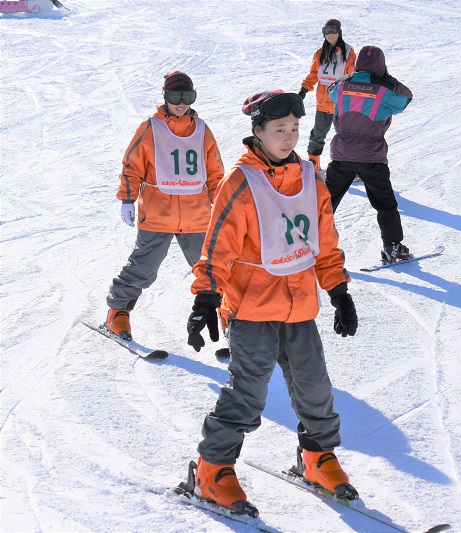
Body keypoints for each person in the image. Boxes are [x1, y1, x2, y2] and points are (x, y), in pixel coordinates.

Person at [184, 90, 360, 513]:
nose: (289, 137)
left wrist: (338, 290)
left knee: (314, 387)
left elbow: (324, 241)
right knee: (248, 391)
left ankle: (317, 457)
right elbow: (218, 246)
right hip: (252, 307)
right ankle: (212, 469)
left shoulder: (310, 177)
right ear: (258, 132)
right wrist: (206, 297)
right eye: (279, 129)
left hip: (300, 306)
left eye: (295, 129)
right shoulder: (241, 181)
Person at [104, 71, 224, 340]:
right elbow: (132, 165)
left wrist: (222, 205)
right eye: (175, 96)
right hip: (158, 213)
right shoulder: (151, 127)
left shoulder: (202, 130)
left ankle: (232, 319)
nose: (181, 103)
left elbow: (215, 173)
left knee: (213, 269)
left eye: (187, 96)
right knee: (143, 268)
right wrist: (127, 199)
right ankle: (118, 312)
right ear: (165, 96)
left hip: (197, 215)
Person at [324, 45, 414, 264]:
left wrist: (351, 77)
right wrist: (387, 78)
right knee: (384, 204)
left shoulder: (342, 86)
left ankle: (307, 241)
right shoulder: (385, 91)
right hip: (371, 158)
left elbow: (330, 90)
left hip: (342, 154)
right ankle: (393, 247)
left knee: (325, 201)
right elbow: (406, 98)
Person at [298, 18, 357, 171]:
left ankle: (352, 166)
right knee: (318, 134)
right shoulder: (320, 53)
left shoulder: (348, 52)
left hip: (342, 102)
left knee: (347, 135)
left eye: (333, 30)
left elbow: (353, 76)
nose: (330, 34)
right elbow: (314, 74)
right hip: (323, 102)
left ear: (339, 32)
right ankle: (314, 163)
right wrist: (303, 90)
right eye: (326, 31)